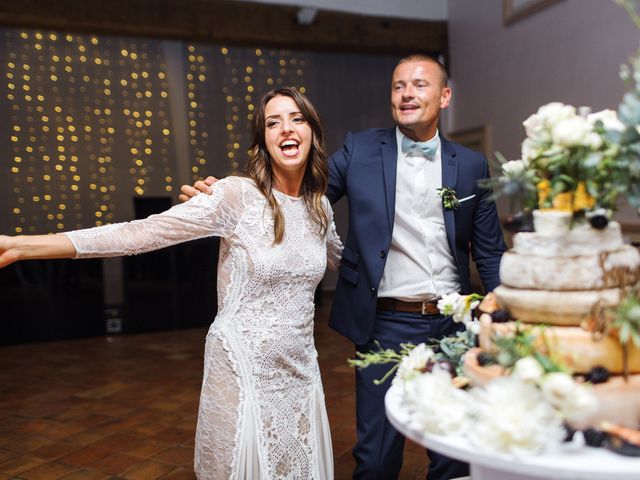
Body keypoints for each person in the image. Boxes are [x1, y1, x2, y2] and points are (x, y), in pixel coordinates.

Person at [181, 55, 506, 480]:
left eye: (420, 85)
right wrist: (230, 193)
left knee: (454, 451)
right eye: (398, 86)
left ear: (444, 96)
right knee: (376, 457)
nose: (407, 93)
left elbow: (490, 252)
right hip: (386, 321)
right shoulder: (361, 149)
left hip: (454, 325)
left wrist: (502, 315)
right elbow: (295, 197)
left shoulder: (472, 165)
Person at [0, 87, 342, 480]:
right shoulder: (236, 195)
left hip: (299, 370)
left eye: (297, 118)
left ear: (312, 131)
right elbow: (139, 234)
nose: (286, 128)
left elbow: (344, 262)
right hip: (243, 365)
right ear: (262, 140)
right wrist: (23, 246)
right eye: (273, 121)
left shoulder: (320, 208)